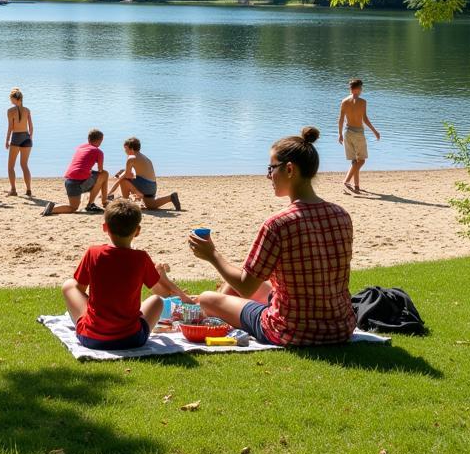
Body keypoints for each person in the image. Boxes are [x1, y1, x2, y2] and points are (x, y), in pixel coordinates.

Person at [190, 126, 356, 347]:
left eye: (271, 168)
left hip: (292, 330)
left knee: (207, 299)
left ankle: (216, 305)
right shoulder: (341, 215)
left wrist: (211, 254)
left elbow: (246, 286)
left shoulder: (278, 224)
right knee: (248, 284)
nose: (268, 175)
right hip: (340, 327)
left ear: (289, 170)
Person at [62, 200, 190, 349]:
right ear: (137, 231)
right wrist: (162, 277)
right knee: (157, 301)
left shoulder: (93, 253)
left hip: (91, 338)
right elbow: (161, 293)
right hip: (131, 339)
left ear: (105, 227)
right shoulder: (141, 258)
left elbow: (80, 288)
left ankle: (95, 322)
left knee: (69, 285)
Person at [42, 129, 110, 215]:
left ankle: (51, 209)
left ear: (88, 139)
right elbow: (100, 170)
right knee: (104, 174)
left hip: (69, 182)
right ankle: (99, 203)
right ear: (100, 140)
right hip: (79, 183)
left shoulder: (81, 147)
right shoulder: (98, 151)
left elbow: (81, 164)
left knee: (72, 207)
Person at [108, 137, 181, 211]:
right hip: (152, 187)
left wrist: (110, 193)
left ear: (132, 149)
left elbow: (124, 177)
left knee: (124, 181)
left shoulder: (131, 158)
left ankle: (126, 203)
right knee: (150, 205)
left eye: (126, 149)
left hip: (145, 186)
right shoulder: (144, 157)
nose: (125, 151)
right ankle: (171, 197)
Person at [339, 78, 380, 193]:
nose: (362, 90)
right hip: (358, 133)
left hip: (347, 132)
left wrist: (339, 134)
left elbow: (341, 119)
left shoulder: (344, 101)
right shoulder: (362, 102)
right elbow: (365, 119)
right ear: (357, 89)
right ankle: (346, 181)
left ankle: (356, 186)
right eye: (361, 88)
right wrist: (375, 131)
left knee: (354, 161)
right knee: (361, 161)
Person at [4, 87, 34, 197]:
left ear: (14, 99)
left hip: (16, 137)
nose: (10, 101)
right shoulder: (27, 110)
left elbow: (10, 128)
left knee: (10, 166)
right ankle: (29, 190)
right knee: (24, 165)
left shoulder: (10, 111)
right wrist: (30, 138)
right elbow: (31, 127)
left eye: (11, 99)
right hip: (26, 138)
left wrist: (7, 140)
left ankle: (13, 190)